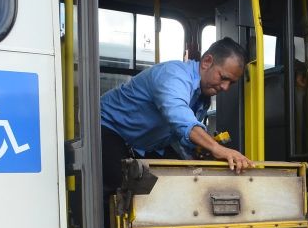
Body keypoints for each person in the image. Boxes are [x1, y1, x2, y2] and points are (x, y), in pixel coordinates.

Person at [100, 36, 254, 193]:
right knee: (129, 193)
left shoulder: (202, 99)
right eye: (223, 78)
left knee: (178, 183)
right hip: (107, 129)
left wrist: (199, 154)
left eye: (231, 83)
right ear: (207, 62)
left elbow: (181, 136)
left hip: (142, 143)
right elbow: (179, 116)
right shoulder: (174, 75)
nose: (226, 87)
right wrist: (216, 148)